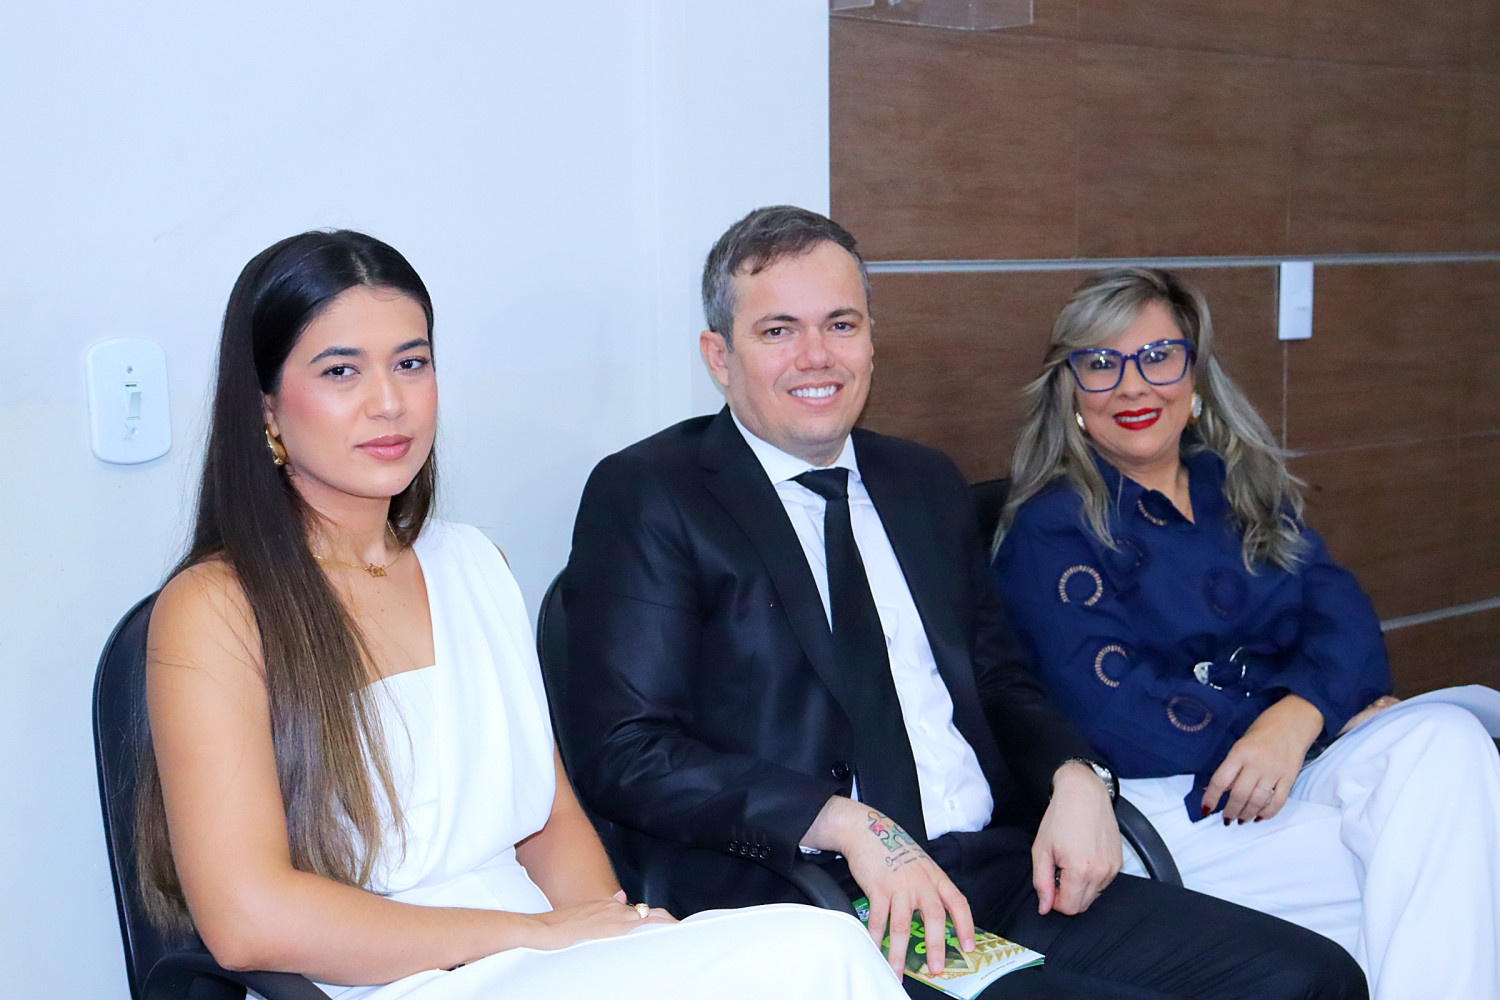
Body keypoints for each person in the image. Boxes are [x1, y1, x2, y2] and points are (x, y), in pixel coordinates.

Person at [563, 206, 1367, 999]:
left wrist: (1079, 775)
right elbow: (627, 750)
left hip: (1002, 872)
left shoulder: (922, 484)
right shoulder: (653, 496)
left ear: (872, 340)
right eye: (778, 330)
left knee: (1315, 978)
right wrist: (843, 820)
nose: (817, 356)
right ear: (719, 355)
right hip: (831, 901)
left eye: (841, 325)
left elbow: (1000, 681)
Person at [135, 229, 911, 1000]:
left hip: (542, 957)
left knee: (818, 945)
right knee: (817, 952)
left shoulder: (475, 565)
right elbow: (248, 921)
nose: (389, 402)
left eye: (411, 363)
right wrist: (529, 934)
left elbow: (550, 823)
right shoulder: (214, 609)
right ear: (267, 406)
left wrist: (626, 940)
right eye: (342, 371)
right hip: (384, 979)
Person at [989, 266, 1500, 1000]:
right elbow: (1107, 705)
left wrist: (1300, 717)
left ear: (1194, 373)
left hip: (1286, 759)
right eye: (1101, 364)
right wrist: (1281, 725)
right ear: (1071, 390)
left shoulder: (1233, 483)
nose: (1133, 386)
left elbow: (1343, 616)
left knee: (1450, 740)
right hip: (1173, 798)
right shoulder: (1053, 525)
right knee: (1429, 865)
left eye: (1158, 356)